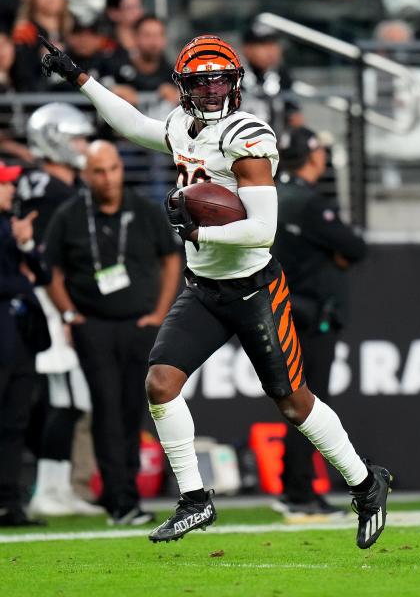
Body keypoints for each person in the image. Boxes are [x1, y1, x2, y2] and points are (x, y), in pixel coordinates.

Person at [39, 33, 393, 547]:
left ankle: (365, 483)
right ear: (183, 86)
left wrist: (200, 231)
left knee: (294, 404)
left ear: (236, 83)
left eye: (220, 79)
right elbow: (135, 125)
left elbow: (261, 230)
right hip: (203, 286)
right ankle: (195, 501)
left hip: (253, 289)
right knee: (160, 384)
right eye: (201, 81)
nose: (211, 90)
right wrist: (80, 78)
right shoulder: (182, 126)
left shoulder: (247, 136)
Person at [43, 141, 181, 525]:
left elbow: (171, 257)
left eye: (114, 169)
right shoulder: (70, 215)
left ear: (122, 169)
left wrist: (159, 313)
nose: (108, 178)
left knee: (132, 409)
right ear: (86, 175)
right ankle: (121, 501)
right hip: (94, 326)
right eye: (99, 171)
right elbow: (50, 269)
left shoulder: (142, 210)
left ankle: (127, 495)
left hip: (139, 324)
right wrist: (69, 314)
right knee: (106, 409)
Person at [272, 127, 367, 517]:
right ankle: (299, 491)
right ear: (315, 158)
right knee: (309, 406)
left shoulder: (274, 196)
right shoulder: (309, 203)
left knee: (297, 402)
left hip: (285, 310)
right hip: (313, 316)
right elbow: (355, 248)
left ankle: (293, 486)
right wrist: (333, 257)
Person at [19, 103, 101, 519]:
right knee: (64, 400)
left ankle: (57, 485)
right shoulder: (57, 192)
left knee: (66, 399)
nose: (83, 147)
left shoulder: (32, 184)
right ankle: (48, 489)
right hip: (49, 303)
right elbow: (50, 259)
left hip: (39, 301)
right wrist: (67, 311)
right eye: (77, 139)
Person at [0, 161, 49, 527]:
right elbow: (21, 282)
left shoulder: (10, 226)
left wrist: (26, 243)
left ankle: (9, 503)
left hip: (18, 338)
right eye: (4, 184)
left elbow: (42, 274)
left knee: (15, 421)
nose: (12, 190)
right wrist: (22, 284)